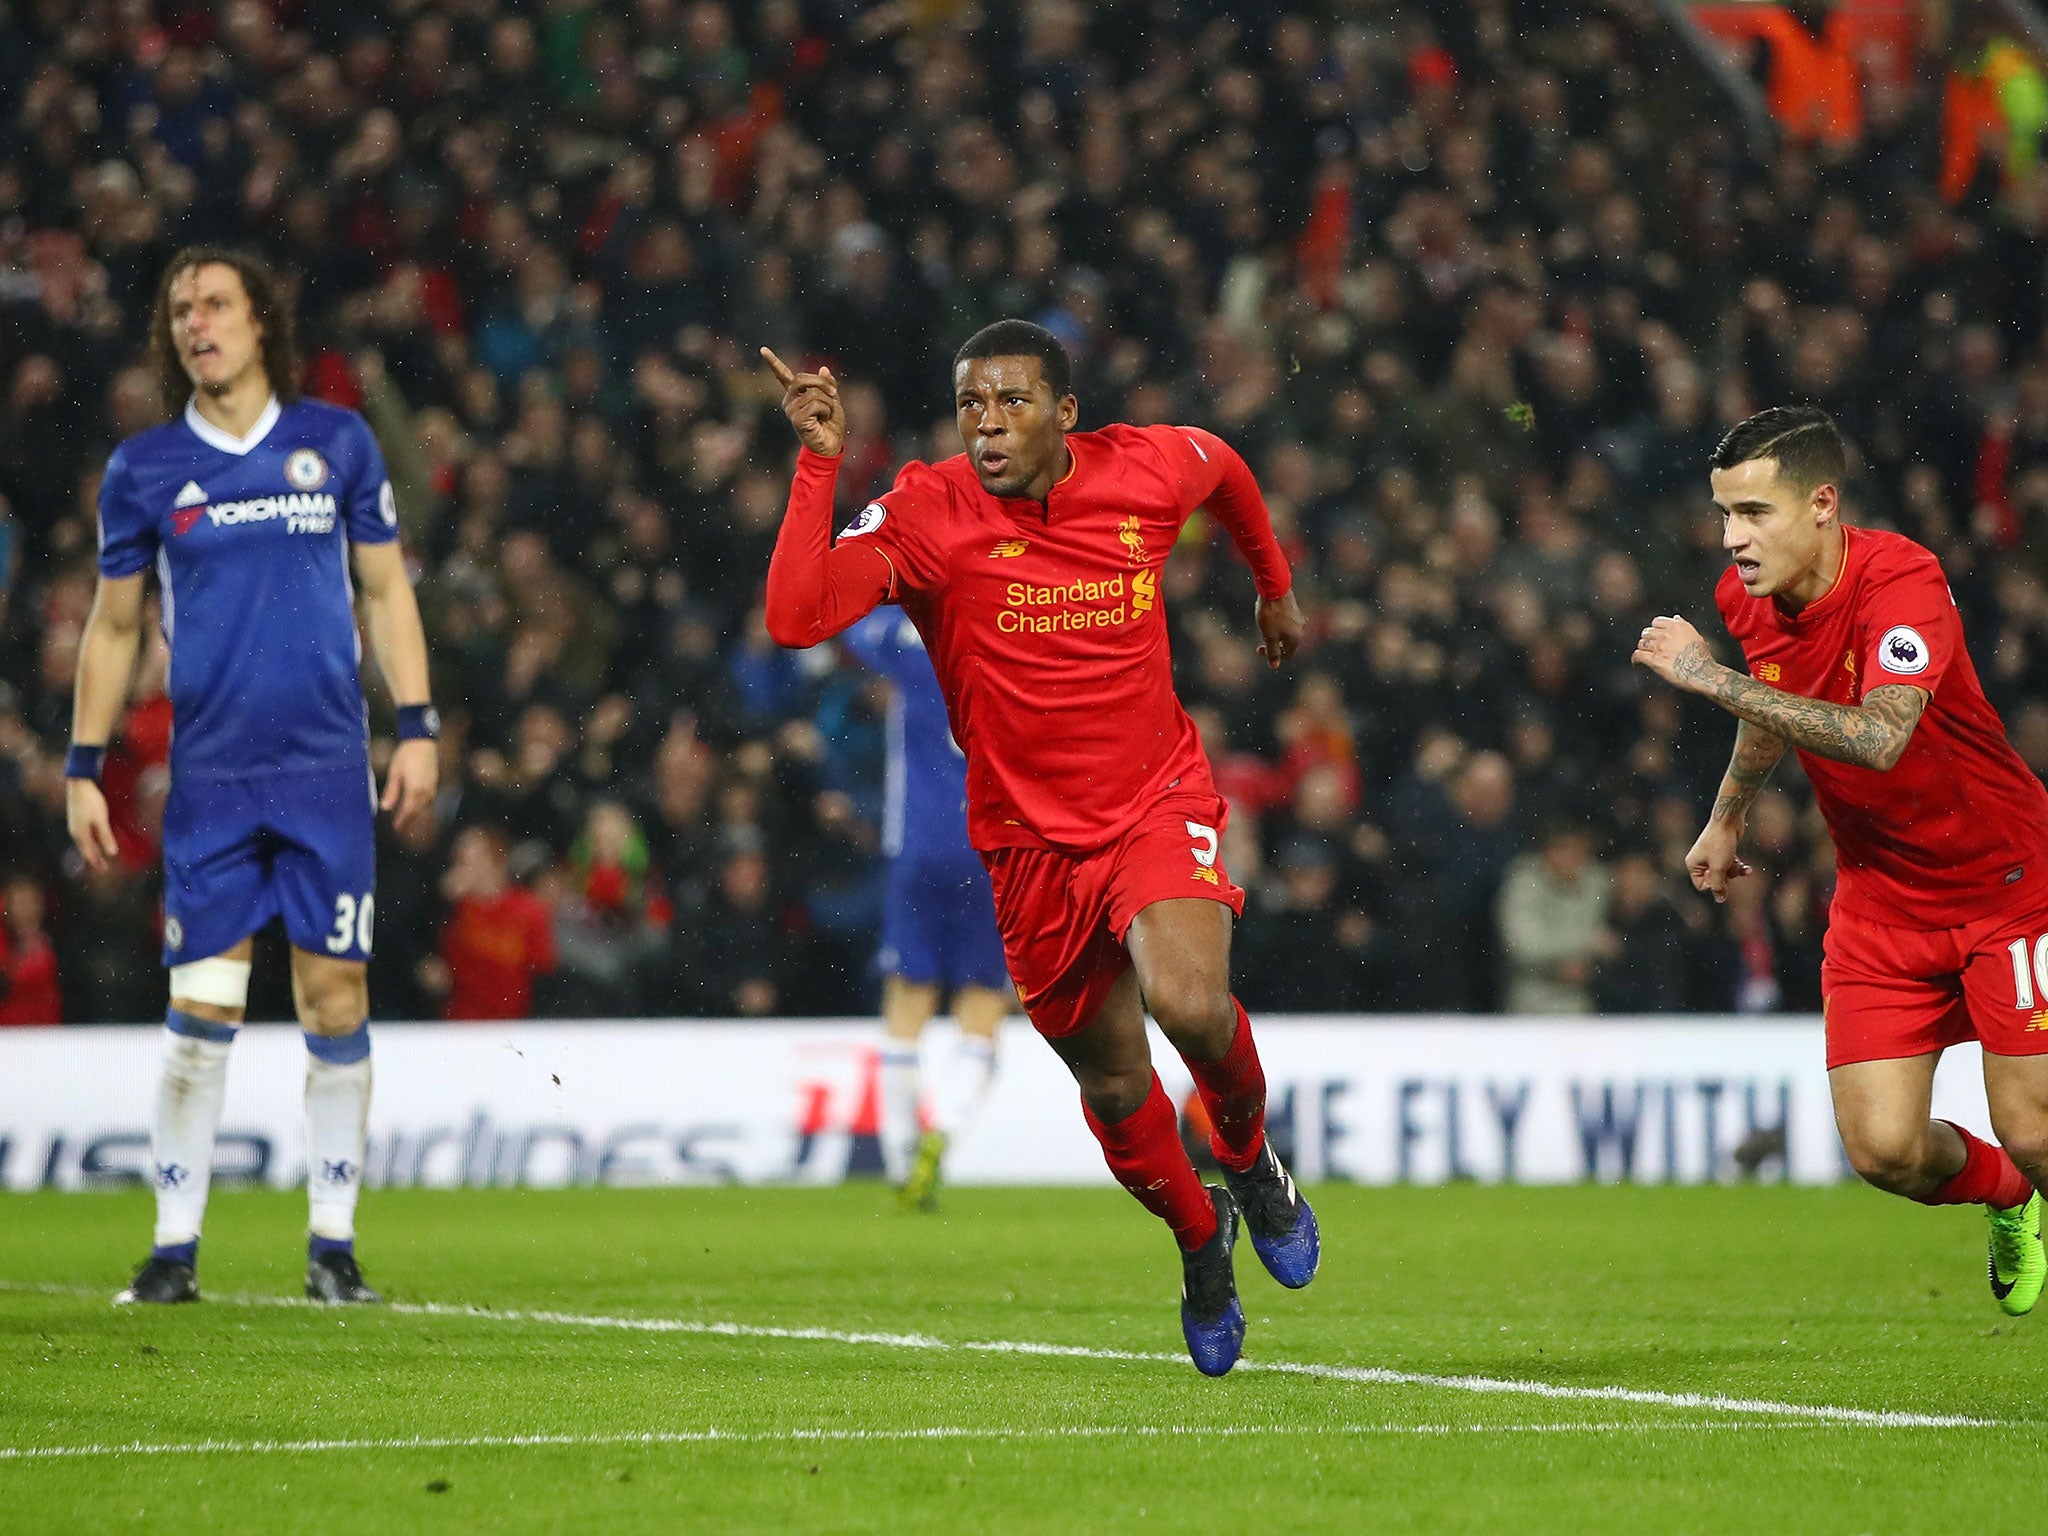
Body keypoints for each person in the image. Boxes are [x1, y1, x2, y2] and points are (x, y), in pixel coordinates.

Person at [761, 320, 1316, 1377]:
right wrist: (819, 464)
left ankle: (1249, 1164)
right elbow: (794, 615)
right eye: (970, 404)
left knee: (1190, 1003)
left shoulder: (1145, 467)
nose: (986, 424)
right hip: (1023, 848)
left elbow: (1229, 471)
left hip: (1152, 799)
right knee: (1113, 1089)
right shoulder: (927, 514)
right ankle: (1201, 1245)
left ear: (1065, 414)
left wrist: (1273, 585)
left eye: (1011, 401)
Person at [67, 247, 438, 1307]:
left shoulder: (336, 443)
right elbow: (115, 624)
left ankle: (333, 1246)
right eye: (181, 309)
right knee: (203, 1010)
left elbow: (384, 595)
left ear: (260, 322)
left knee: (334, 999)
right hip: (215, 782)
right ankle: (173, 1247)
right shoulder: (144, 469)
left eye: (216, 303)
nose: (197, 322)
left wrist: (415, 725)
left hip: (324, 772)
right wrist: (83, 765)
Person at [1634, 405, 2048, 1315]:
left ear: (1822, 503)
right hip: (1880, 902)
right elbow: (1774, 698)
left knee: (2034, 1128)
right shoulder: (1746, 597)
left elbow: (1880, 737)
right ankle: (2008, 1202)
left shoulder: (1903, 581)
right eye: (1724, 515)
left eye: (1754, 513)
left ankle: (2028, 1173)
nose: (1735, 539)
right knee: (1883, 1152)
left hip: (2006, 887)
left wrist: (1705, 677)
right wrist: (1728, 815)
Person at [840, 606, 1014, 1209]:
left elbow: (844, 625)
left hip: (916, 845)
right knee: (983, 1014)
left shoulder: (906, 635)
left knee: (905, 1008)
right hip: (989, 848)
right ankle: (944, 1126)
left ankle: (899, 1161)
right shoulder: (1006, 630)